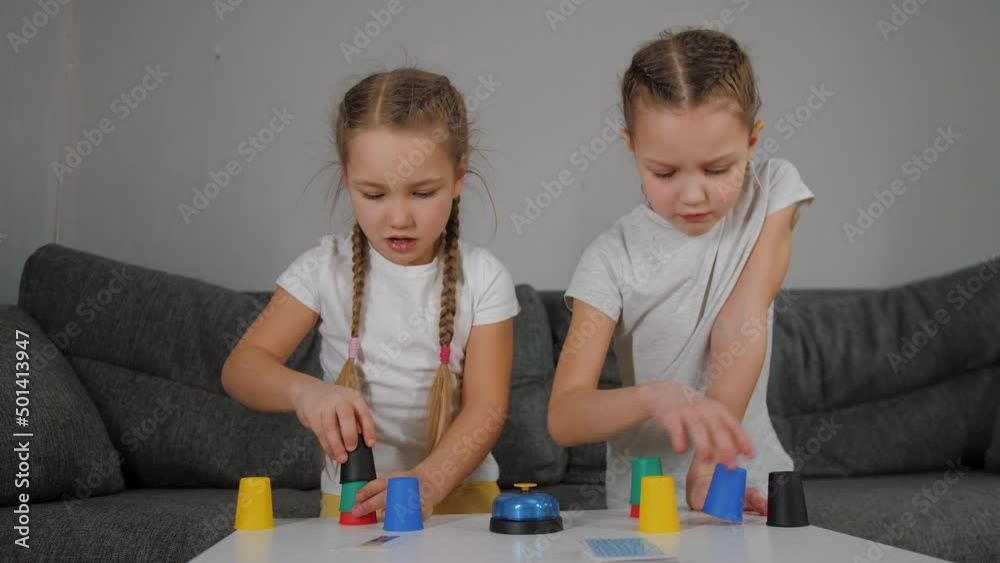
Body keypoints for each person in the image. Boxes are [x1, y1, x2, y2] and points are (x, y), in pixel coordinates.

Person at [222, 68, 519, 520]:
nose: (399, 218)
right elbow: (242, 367)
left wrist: (427, 483)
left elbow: (487, 408)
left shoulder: (484, 278)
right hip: (354, 500)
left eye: (423, 192)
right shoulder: (322, 269)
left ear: (458, 176)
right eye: (374, 195)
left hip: (460, 499)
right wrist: (304, 392)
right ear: (347, 179)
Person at [548, 28, 815, 515]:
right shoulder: (610, 258)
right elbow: (566, 416)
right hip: (647, 502)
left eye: (717, 169)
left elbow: (742, 319)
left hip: (744, 481)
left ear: (752, 141)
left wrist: (707, 466)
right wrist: (656, 398)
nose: (693, 196)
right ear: (632, 148)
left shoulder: (772, 193)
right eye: (665, 173)